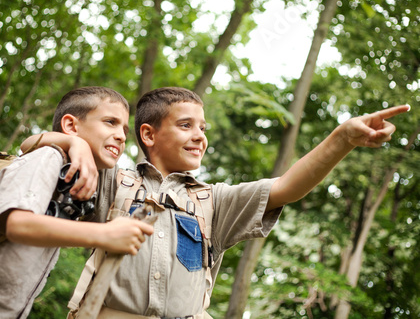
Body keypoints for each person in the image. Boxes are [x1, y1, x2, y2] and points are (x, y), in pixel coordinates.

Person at [21, 87, 410, 318]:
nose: (200, 137)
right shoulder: (112, 179)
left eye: (202, 128)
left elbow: (288, 186)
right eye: (186, 125)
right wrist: (71, 141)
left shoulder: (214, 201)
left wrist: (342, 138)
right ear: (148, 134)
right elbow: (30, 146)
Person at [0, 86, 154, 319]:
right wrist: (105, 234)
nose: (122, 136)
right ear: (71, 126)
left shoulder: (86, 176)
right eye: (110, 122)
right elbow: (17, 224)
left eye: (124, 128)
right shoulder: (48, 157)